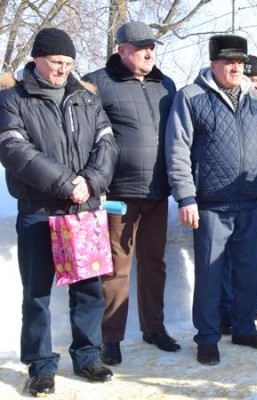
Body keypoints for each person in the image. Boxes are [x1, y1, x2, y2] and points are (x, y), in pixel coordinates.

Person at [0, 27, 118, 396]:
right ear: (36, 59)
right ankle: (40, 366)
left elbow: (107, 143)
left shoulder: (86, 97)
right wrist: (67, 183)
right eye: (56, 62)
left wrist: (91, 181)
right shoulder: (12, 99)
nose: (62, 69)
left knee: (88, 290)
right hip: (39, 210)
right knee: (37, 293)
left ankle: (87, 357)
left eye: (68, 63)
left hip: (84, 208)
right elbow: (14, 150)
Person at [165, 35, 257, 365]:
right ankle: (207, 337)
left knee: (248, 271)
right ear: (213, 63)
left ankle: (245, 327)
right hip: (210, 205)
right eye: (228, 61)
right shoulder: (190, 97)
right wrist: (186, 197)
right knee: (210, 273)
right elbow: (177, 151)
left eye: (239, 62)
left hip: (250, 202)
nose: (235, 67)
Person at [83, 21, 179, 366]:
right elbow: (85, 138)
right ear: (121, 50)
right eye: (141, 47)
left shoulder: (166, 85)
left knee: (155, 264)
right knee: (116, 269)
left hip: (157, 191)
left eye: (151, 46)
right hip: (118, 194)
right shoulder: (97, 83)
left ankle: (154, 328)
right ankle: (111, 338)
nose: (149, 52)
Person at [217, 54, 257, 330]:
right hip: (227, 196)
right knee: (229, 257)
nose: (256, 85)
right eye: (251, 79)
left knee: (254, 254)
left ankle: (250, 304)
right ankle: (228, 310)